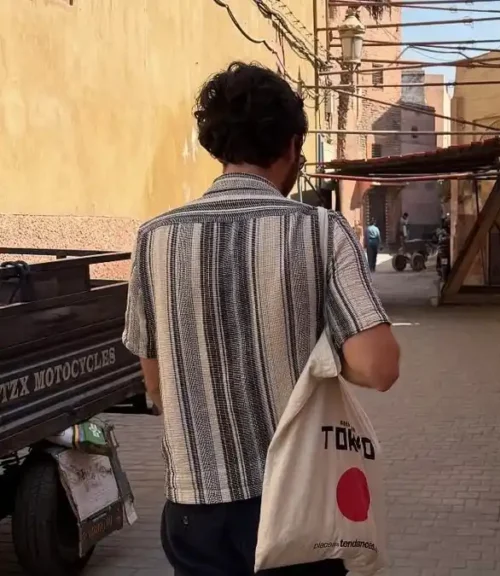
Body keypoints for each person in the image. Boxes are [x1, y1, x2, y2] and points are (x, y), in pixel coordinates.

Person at [122, 62, 400, 576]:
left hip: (194, 506)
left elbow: (155, 381)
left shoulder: (154, 238)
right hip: (297, 506)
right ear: (293, 145)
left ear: (216, 143)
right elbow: (378, 367)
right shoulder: (319, 231)